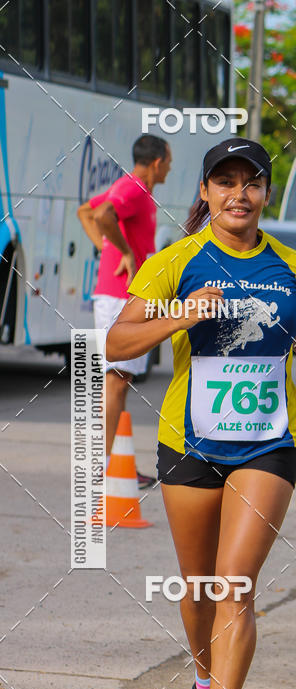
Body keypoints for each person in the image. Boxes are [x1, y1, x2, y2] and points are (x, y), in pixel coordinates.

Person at [105, 137, 296, 689]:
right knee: (201, 581)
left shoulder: (290, 262)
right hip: (190, 441)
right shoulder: (175, 260)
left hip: (268, 441)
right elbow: (118, 338)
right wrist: (179, 316)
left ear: (265, 193)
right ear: (205, 193)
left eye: (251, 182)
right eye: (224, 182)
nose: (239, 194)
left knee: (235, 582)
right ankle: (204, 680)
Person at [77, 134, 172, 487]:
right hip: (121, 296)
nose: (170, 169)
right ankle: (97, 467)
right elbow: (101, 214)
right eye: (169, 162)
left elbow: (85, 211)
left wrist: (110, 250)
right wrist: (124, 253)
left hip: (122, 295)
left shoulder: (131, 188)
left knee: (119, 380)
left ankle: (110, 463)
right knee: (116, 380)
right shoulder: (134, 188)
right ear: (158, 162)